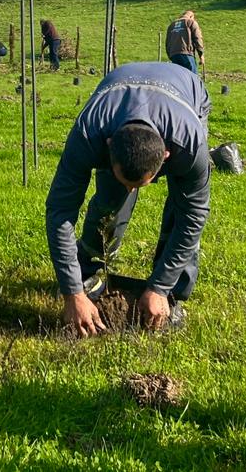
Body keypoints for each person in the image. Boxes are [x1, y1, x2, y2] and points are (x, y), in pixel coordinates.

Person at [45, 61, 211, 336]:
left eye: (139, 184)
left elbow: (193, 217)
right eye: (128, 182)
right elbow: (59, 211)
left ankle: (171, 296)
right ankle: (86, 272)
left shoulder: (189, 144)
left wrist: (159, 286)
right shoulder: (89, 132)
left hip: (186, 92)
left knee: (181, 207)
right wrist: (71, 291)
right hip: (117, 95)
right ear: (109, 148)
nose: (133, 191)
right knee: (111, 198)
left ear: (167, 157)